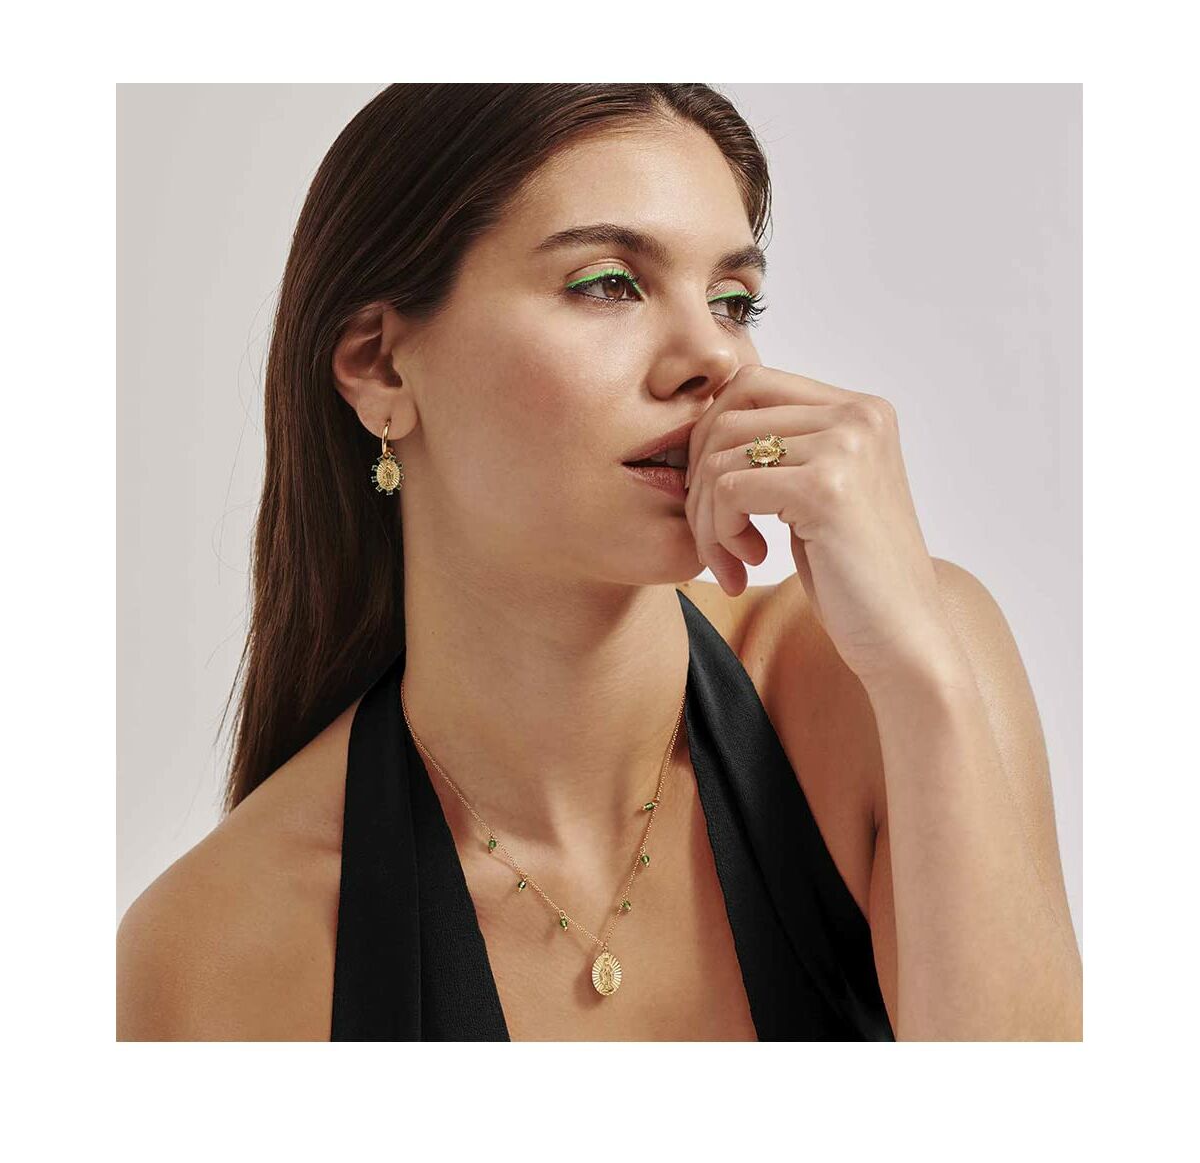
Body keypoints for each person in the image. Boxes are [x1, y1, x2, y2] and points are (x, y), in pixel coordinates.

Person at [116, 83, 1082, 1041]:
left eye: (733, 301)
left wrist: (920, 675)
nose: (714, 358)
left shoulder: (882, 686)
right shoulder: (215, 954)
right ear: (380, 366)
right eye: (609, 284)